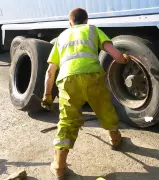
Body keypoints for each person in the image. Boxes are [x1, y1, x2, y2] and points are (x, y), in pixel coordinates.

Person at [41, 8, 130, 179]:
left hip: (67, 81)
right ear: (86, 20)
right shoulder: (93, 30)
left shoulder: (61, 37)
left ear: (70, 23)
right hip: (92, 76)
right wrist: (124, 59)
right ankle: (116, 140)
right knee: (104, 109)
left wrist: (47, 96)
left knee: (67, 121)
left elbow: (50, 71)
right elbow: (115, 54)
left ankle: (59, 167)